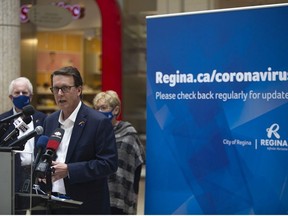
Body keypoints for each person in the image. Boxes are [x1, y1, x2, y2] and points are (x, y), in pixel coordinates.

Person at [41, 66, 118, 214]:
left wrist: (69, 170)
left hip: (85, 205)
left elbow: (108, 164)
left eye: (65, 88)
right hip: (52, 204)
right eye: (55, 89)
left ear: (79, 90)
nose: (59, 94)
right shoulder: (49, 121)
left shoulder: (98, 122)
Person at [93, 90, 145, 215]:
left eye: (103, 108)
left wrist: (134, 193)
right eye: (96, 108)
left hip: (121, 195)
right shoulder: (93, 134)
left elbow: (137, 165)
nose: (99, 112)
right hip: (97, 195)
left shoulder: (128, 134)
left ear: (115, 110)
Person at [0, 77, 47, 192]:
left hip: (37, 175)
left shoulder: (43, 119)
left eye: (25, 93)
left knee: (38, 209)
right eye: (17, 93)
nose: (21, 95)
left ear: (31, 96)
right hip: (11, 174)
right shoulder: (3, 120)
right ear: (11, 97)